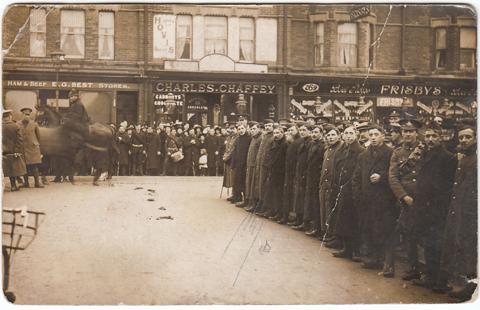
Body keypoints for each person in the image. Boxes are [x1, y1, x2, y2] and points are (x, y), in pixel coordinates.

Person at [407, 123, 456, 288]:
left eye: (434, 136)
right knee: (427, 241)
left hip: (437, 207)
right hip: (423, 205)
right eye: (427, 136)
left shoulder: (448, 157)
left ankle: (438, 280)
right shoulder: (424, 154)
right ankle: (429, 276)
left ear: (440, 137)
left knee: (436, 242)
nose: (430, 139)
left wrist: (434, 203)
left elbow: (447, 186)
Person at [438, 124, 477, 301]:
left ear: (475, 138)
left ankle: (472, 287)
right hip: (459, 208)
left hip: (470, 211)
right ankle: (468, 284)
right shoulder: (464, 157)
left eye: (468, 137)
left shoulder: (475, 158)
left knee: (470, 248)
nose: (463, 140)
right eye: (461, 137)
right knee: (461, 245)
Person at [352, 125, 397, 273]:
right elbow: (357, 177)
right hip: (367, 199)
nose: (373, 137)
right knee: (368, 227)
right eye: (370, 134)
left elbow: (395, 174)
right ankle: (372, 257)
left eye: (376, 134)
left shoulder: (390, 153)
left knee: (383, 229)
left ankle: (384, 260)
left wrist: (382, 177)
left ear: (383, 136)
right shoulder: (363, 155)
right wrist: (358, 195)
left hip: (384, 199)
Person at [388, 118, 423, 281]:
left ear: (417, 133)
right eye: (405, 131)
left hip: (423, 197)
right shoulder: (397, 152)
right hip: (405, 199)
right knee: (408, 233)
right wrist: (403, 196)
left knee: (424, 234)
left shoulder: (425, 149)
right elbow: (393, 177)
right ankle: (413, 267)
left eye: (411, 131)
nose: (407, 134)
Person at [331, 125, 364, 258]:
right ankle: (347, 249)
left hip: (352, 189)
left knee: (353, 220)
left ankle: (356, 251)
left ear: (356, 134)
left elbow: (358, 172)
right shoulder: (344, 149)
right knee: (343, 219)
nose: (348, 136)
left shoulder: (360, 151)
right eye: (346, 133)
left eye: (351, 133)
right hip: (342, 188)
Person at [303, 125, 325, 236]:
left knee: (316, 203)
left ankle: (317, 228)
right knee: (311, 202)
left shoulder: (322, 146)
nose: (314, 134)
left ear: (321, 133)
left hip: (317, 177)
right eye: (313, 132)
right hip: (311, 176)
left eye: (316, 132)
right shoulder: (312, 144)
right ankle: (312, 224)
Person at [262, 126, 288, 219]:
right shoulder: (273, 143)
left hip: (281, 171)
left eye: (278, 133)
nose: (276, 135)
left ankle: (279, 212)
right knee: (271, 191)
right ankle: (272, 210)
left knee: (279, 193)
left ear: (282, 133)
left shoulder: (285, 144)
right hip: (273, 170)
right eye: (275, 133)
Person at [290, 124, 312, 228]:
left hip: (305, 173)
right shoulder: (302, 142)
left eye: (304, 130)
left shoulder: (310, 143)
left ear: (309, 131)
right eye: (301, 130)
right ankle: (299, 219)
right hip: (299, 172)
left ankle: (304, 221)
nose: (302, 132)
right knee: (299, 196)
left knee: (304, 198)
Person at [19, 107, 44, 188]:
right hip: (22, 148)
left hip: (33, 148)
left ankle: (37, 183)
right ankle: (26, 183)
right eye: (25, 114)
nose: (27, 116)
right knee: (24, 167)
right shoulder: (17, 124)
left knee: (34, 166)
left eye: (28, 115)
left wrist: (37, 145)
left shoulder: (34, 124)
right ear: (22, 115)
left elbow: (39, 137)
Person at [2, 110, 27, 191]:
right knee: (11, 169)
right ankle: (13, 186)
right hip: (11, 151)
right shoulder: (16, 126)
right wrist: (17, 150)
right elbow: (20, 140)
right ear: (10, 117)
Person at [242, 122, 262, 210]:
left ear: (259, 129)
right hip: (250, 164)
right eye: (251, 129)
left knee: (254, 185)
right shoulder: (253, 138)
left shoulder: (260, 138)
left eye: (254, 129)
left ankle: (253, 204)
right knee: (249, 184)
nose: (252, 130)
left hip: (255, 165)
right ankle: (249, 202)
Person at [230, 124, 251, 204]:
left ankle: (246, 199)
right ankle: (237, 196)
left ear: (245, 129)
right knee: (237, 180)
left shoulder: (249, 139)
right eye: (239, 129)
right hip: (238, 163)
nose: (241, 130)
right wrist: (233, 163)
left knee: (244, 181)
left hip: (245, 163)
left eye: (242, 128)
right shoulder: (238, 139)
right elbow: (235, 152)